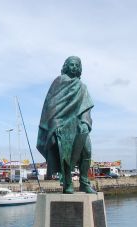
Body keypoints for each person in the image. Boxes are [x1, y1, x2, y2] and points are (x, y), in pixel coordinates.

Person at [36, 56, 95, 194]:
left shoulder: (82, 87)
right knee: (65, 153)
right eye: (71, 64)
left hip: (79, 124)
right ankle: (67, 183)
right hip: (62, 124)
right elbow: (52, 105)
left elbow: (86, 108)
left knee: (87, 151)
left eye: (76, 65)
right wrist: (55, 123)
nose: (74, 67)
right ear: (66, 66)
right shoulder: (59, 81)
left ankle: (84, 182)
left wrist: (85, 122)